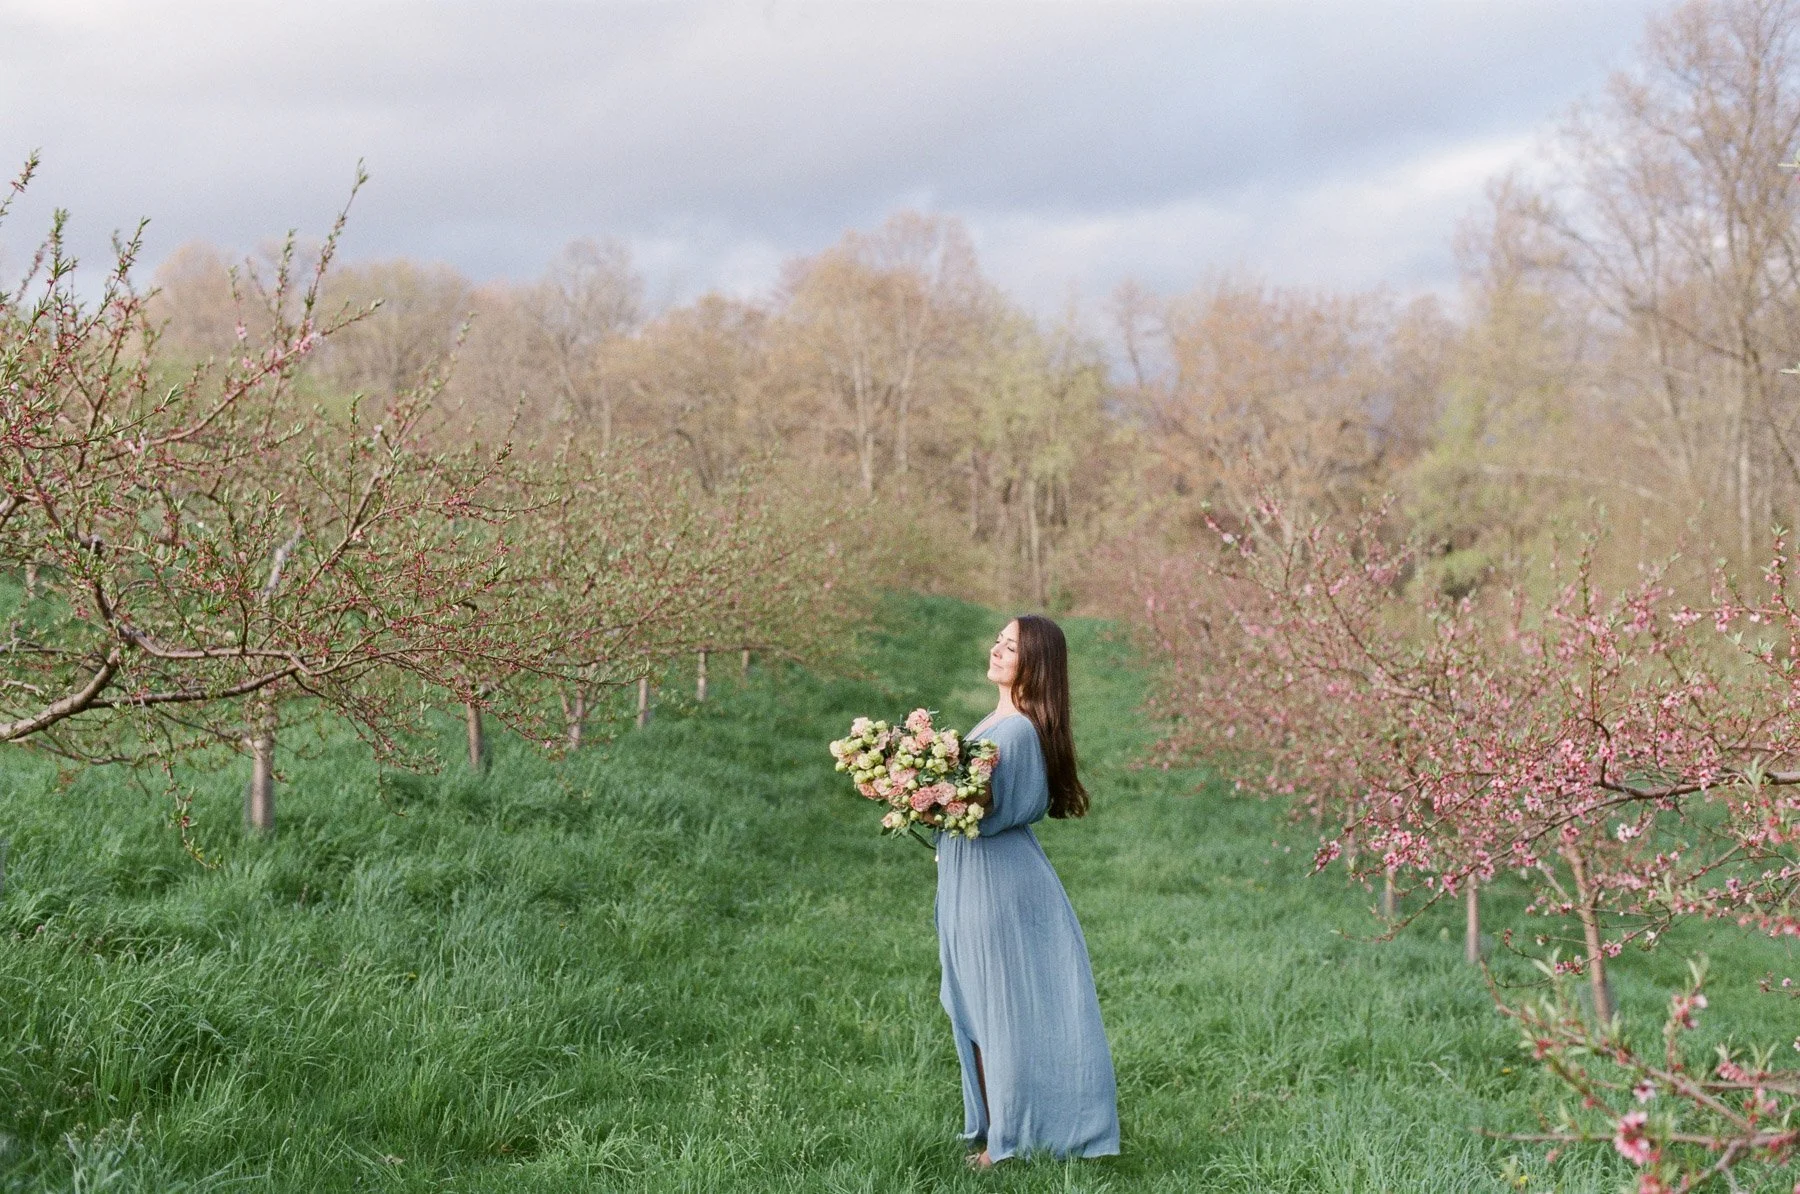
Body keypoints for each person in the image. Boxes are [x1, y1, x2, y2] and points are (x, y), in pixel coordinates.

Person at [935, 614, 1120, 1168]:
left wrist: (927, 795)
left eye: (1009, 646)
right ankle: (1004, 1129)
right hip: (982, 874)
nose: (996, 649)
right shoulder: (1003, 720)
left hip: (996, 881)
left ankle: (1006, 1142)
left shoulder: (1014, 730)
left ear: (1032, 663)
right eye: (997, 639)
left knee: (997, 1009)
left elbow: (984, 811)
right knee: (977, 1003)